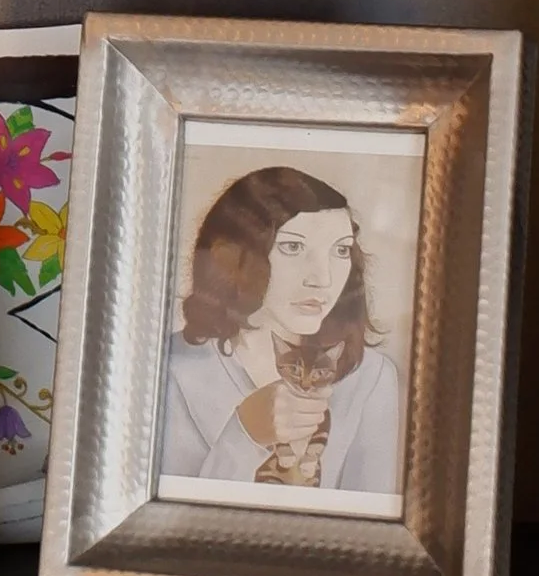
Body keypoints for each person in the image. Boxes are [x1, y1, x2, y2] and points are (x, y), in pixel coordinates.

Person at [156, 161, 403, 502]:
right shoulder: (170, 369)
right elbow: (163, 529)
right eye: (293, 247)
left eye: (341, 250)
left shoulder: (371, 376)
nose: (323, 278)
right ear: (234, 256)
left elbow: (375, 533)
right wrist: (245, 434)